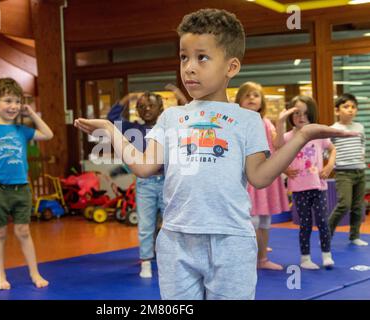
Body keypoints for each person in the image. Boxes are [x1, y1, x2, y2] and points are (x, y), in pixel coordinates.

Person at [74, 8, 354, 299]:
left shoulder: (247, 120)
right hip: (176, 239)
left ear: (231, 67)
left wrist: (303, 136)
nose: (189, 67)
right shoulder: (171, 117)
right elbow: (144, 167)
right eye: (184, 57)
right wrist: (110, 129)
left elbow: (260, 176)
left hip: (231, 239)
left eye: (202, 57)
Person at [0, 78, 53, 290]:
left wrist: (31, 113)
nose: (13, 106)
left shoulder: (21, 130)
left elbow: (48, 134)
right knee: (0, 232)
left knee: (23, 231)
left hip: (21, 188)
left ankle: (35, 273)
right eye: (7, 101)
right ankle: (0, 275)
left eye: (16, 101)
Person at [107, 91, 165, 278]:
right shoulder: (132, 128)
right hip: (145, 182)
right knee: (146, 224)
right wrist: (127, 97)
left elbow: (189, 119)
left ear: (161, 108)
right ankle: (146, 261)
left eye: (151, 105)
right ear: (137, 111)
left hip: (167, 181)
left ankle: (169, 258)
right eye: (141, 106)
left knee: (171, 223)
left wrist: (179, 95)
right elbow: (111, 118)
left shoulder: (168, 128)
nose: (146, 109)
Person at [275, 95, 335, 269]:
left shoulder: (317, 134)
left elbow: (332, 149)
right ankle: (305, 258)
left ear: (312, 114)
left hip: (318, 186)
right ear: (291, 115)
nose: (301, 117)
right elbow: (277, 148)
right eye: (297, 113)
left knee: (323, 221)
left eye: (306, 113)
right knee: (305, 224)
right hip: (299, 188)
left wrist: (330, 165)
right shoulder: (287, 136)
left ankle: (326, 255)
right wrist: (280, 121)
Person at [235, 81, 289, 270]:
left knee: (264, 219)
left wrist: (281, 122)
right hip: (245, 178)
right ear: (239, 100)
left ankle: (262, 257)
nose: (251, 98)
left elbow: (278, 144)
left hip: (264, 176)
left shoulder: (265, 122)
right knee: (250, 220)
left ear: (262, 101)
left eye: (256, 95)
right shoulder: (236, 122)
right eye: (247, 95)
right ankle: (251, 258)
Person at [328, 93, 368, 246]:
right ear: (337, 111)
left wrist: (362, 154)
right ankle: (327, 233)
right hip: (343, 172)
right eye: (346, 107)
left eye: (353, 107)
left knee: (358, 206)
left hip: (360, 171)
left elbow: (362, 143)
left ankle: (354, 236)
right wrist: (333, 161)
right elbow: (327, 149)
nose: (350, 110)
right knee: (345, 204)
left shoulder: (359, 127)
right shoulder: (333, 129)